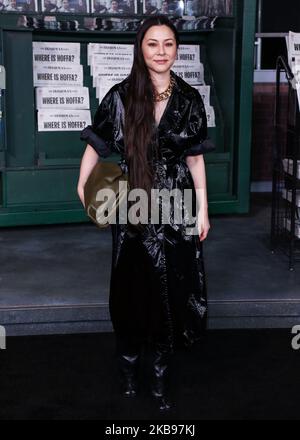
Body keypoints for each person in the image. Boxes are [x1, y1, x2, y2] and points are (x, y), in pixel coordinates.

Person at [78, 15, 214, 412]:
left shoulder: (189, 99)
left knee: (170, 289)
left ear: (177, 49)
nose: (160, 52)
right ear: (141, 48)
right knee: (130, 288)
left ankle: (159, 377)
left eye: (168, 44)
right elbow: (97, 143)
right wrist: (82, 183)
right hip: (131, 202)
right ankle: (127, 368)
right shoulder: (120, 95)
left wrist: (202, 211)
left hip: (175, 202)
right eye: (152, 44)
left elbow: (195, 161)